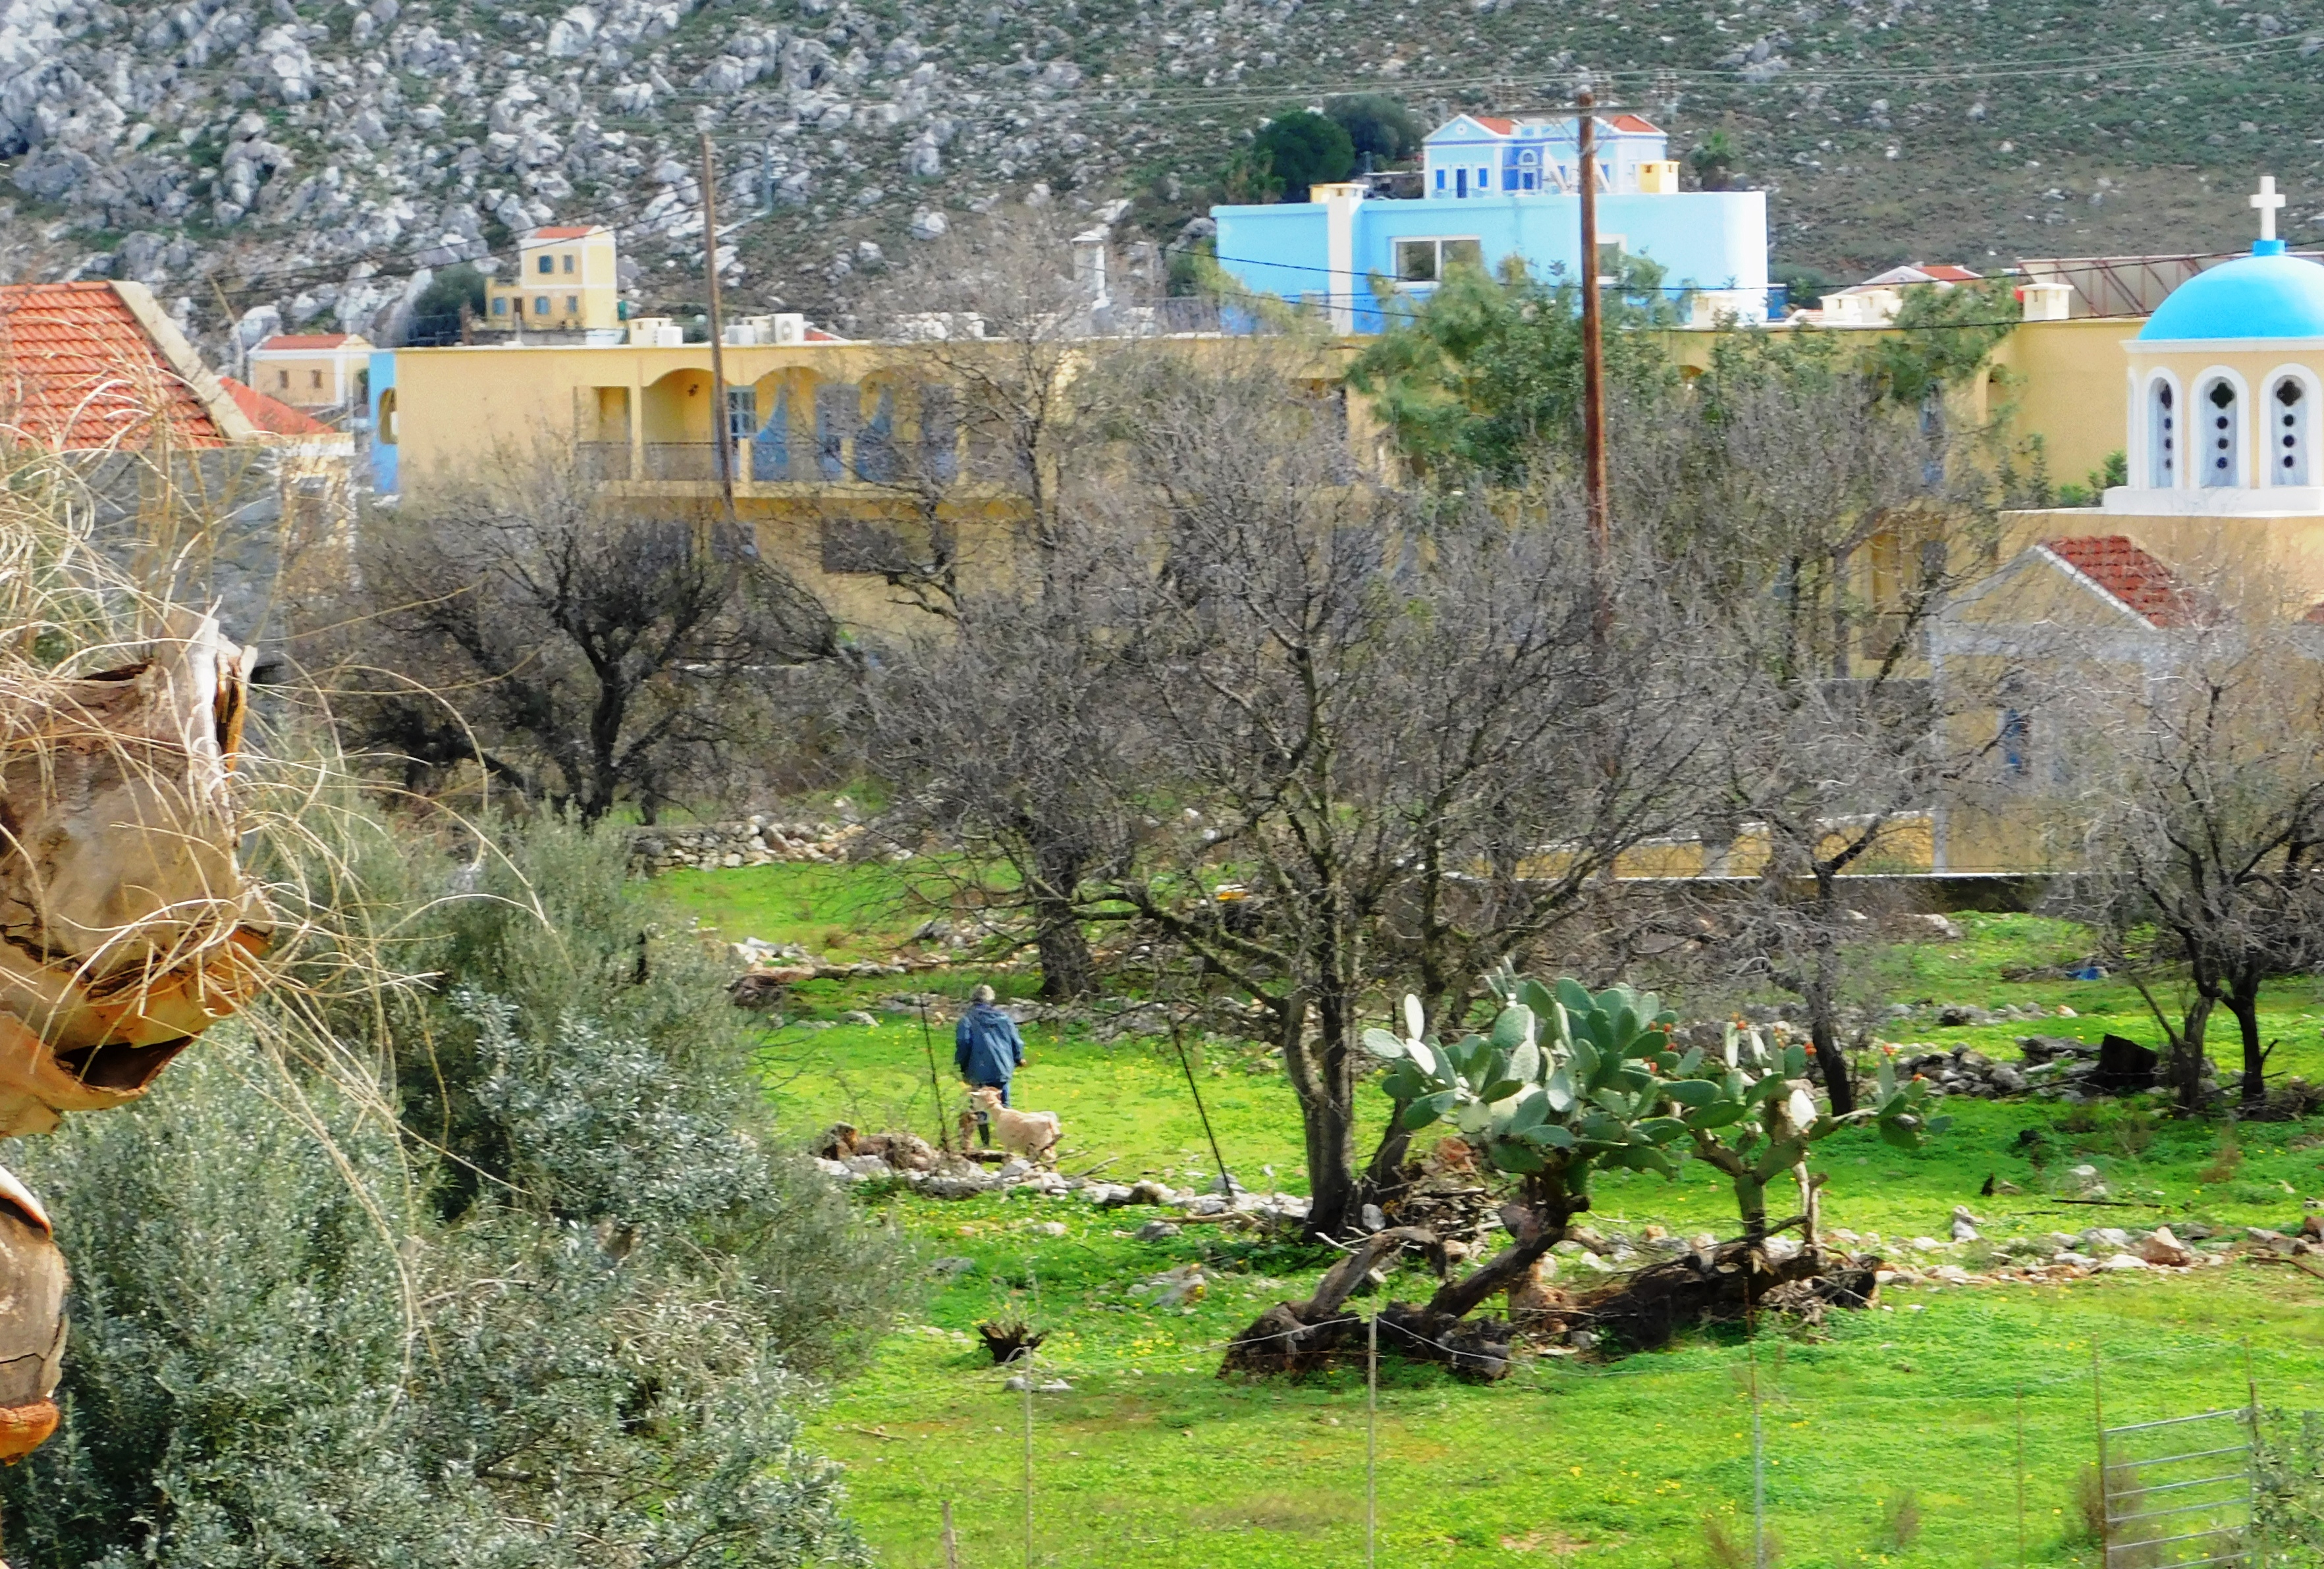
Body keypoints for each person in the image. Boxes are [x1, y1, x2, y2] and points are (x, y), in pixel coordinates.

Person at [954, 984, 1026, 1146]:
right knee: (1004, 1104)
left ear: (972, 999)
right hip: (1003, 1068)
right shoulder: (1004, 1019)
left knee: (980, 1105)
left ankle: (985, 1142)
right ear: (991, 999)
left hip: (977, 1069)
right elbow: (1016, 1042)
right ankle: (1010, 1140)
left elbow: (963, 1042)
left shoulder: (967, 1020)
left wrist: (962, 1064)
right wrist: (1018, 1058)